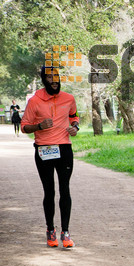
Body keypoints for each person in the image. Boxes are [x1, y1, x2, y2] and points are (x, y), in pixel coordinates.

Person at [20, 67, 80, 248]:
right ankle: (50, 230)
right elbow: (24, 126)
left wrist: (75, 127)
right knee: (49, 191)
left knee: (65, 189)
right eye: (50, 77)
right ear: (44, 80)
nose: (54, 80)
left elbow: (74, 116)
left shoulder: (68, 98)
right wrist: (39, 126)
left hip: (64, 148)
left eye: (56, 77)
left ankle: (66, 232)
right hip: (44, 149)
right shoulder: (35, 101)